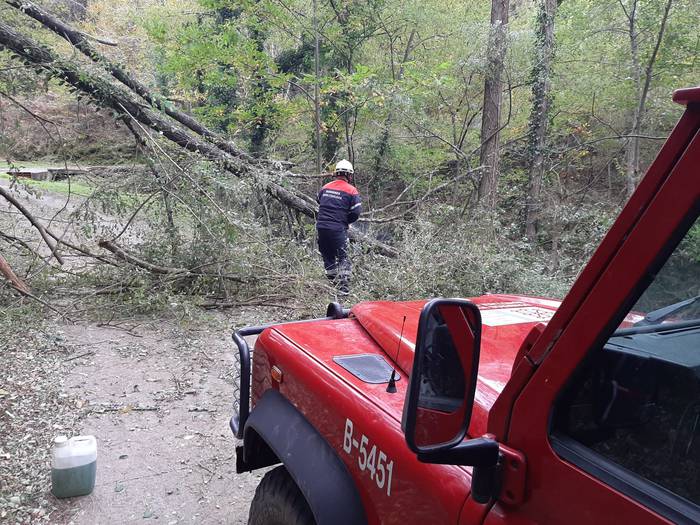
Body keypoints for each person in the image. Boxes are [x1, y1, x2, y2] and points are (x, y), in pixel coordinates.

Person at [316, 159, 362, 295]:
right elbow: (356, 212)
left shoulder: (325, 188)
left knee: (328, 255)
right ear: (350, 175)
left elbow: (319, 201)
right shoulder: (352, 191)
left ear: (336, 174)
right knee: (343, 256)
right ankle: (343, 288)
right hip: (337, 228)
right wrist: (346, 221)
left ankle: (332, 283)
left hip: (322, 227)